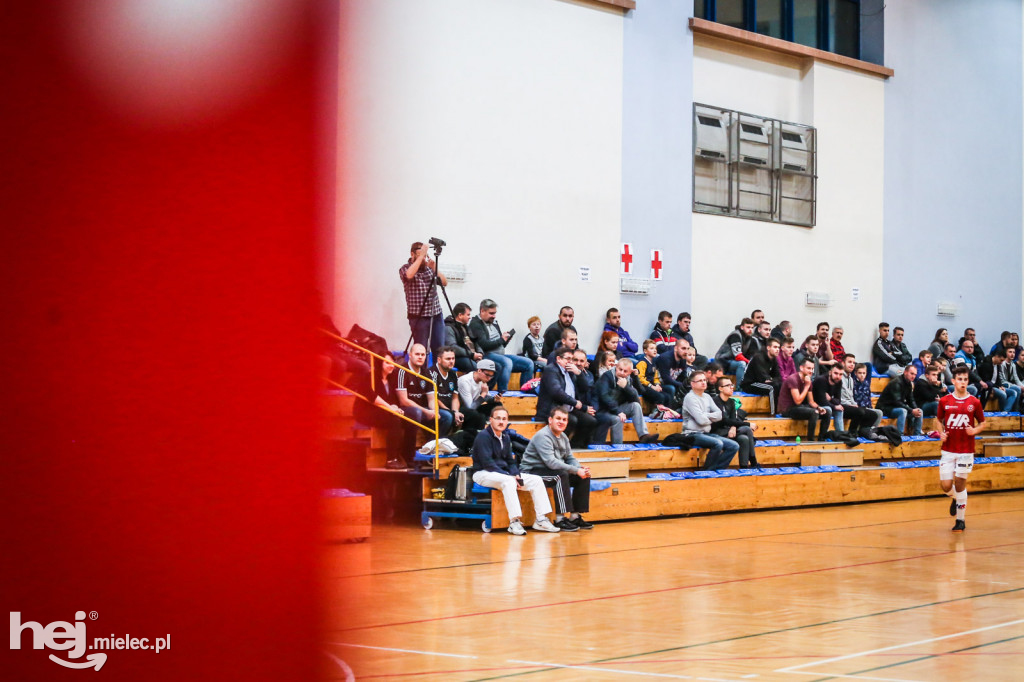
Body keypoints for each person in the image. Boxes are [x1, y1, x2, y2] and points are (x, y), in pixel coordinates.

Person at [471, 406, 560, 535]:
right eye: (498, 418)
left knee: (536, 480)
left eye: (504, 419)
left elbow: (510, 461)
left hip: (503, 474)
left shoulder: (506, 437)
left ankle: (541, 520)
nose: (501, 422)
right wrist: (509, 476)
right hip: (483, 473)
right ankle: (514, 522)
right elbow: (488, 463)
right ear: (491, 420)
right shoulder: (483, 437)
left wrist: (516, 475)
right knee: (509, 481)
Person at [520, 406, 593, 531]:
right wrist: (576, 470)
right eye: (558, 418)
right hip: (532, 471)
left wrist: (580, 468)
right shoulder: (543, 436)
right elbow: (551, 463)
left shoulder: (563, 437)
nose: (561, 422)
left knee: (583, 476)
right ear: (550, 420)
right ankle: (560, 519)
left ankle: (575, 517)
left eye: (564, 419)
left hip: (550, 470)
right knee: (560, 476)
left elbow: (569, 458)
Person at [936, 366, 986, 532]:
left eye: (965, 379)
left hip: (966, 450)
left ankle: (960, 520)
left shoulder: (974, 402)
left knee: (959, 484)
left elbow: (983, 423)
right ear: (953, 381)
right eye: (960, 379)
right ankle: (956, 498)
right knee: (945, 485)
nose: (963, 382)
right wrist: (941, 433)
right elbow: (938, 420)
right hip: (948, 449)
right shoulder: (944, 401)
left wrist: (975, 430)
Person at [354, 355, 414, 469]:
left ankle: (408, 457)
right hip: (367, 411)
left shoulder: (392, 378)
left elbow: (393, 399)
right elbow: (371, 395)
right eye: (387, 363)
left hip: (384, 410)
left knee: (410, 418)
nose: (391, 365)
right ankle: (391, 459)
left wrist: (395, 407)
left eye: (392, 363)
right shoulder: (370, 376)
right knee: (394, 420)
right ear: (380, 363)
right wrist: (389, 408)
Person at [534, 346, 597, 448]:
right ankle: (558, 448)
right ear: (559, 359)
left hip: (567, 408)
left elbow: (585, 388)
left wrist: (579, 373)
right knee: (571, 420)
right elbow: (556, 392)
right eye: (568, 359)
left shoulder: (570, 371)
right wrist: (576, 403)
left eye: (571, 359)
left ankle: (574, 447)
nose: (571, 362)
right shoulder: (551, 370)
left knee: (590, 421)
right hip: (551, 409)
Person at [469, 299, 533, 393]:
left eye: (495, 313)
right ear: (482, 311)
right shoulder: (476, 324)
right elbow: (484, 345)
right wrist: (502, 340)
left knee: (528, 363)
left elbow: (499, 344)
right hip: (486, 355)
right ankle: (502, 392)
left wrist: (505, 341)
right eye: (491, 313)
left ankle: (526, 392)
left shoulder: (494, 323)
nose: (494, 316)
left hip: (500, 354)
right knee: (506, 362)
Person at [681, 371, 739, 470]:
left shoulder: (707, 397)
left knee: (734, 446)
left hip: (706, 433)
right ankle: (708, 471)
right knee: (717, 443)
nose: (703, 382)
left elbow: (719, 415)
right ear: (692, 384)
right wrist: (711, 418)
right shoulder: (690, 398)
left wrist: (705, 416)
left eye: (704, 380)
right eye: (700, 381)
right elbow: (701, 421)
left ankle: (718, 469)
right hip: (692, 434)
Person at [596, 358, 660, 444]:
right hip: (604, 409)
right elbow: (604, 397)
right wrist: (618, 411)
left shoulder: (629, 379)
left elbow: (639, 394)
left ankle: (643, 435)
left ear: (630, 372)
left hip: (617, 408)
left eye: (625, 371)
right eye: (620, 369)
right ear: (616, 367)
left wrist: (627, 385)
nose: (622, 373)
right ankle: (618, 447)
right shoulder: (607, 376)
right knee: (618, 419)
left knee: (635, 406)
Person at [399, 241, 447, 355]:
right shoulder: (404, 268)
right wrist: (421, 257)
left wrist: (434, 268)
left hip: (436, 314)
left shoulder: (429, 268)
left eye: (425, 255)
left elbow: (444, 283)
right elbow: (409, 275)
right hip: (418, 317)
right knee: (421, 349)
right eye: (421, 254)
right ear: (412, 254)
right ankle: (422, 372)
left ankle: (436, 372)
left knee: (440, 348)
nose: (424, 258)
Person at [396, 343, 451, 435]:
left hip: (423, 410)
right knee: (417, 413)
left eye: (423, 354)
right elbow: (403, 401)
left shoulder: (427, 373)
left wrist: (433, 411)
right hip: (406, 410)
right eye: (417, 354)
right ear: (410, 355)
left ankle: (432, 445)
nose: (420, 357)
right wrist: (426, 411)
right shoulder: (402, 371)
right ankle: (408, 448)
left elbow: (432, 399)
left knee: (447, 416)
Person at [712, 376, 759, 468]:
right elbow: (723, 420)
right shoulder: (715, 401)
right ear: (720, 388)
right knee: (746, 428)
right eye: (728, 385)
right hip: (717, 432)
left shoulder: (731, 402)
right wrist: (747, 424)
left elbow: (733, 420)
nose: (732, 387)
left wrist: (733, 428)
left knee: (744, 439)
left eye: (732, 385)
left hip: (729, 431)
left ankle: (744, 468)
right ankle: (753, 462)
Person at [778, 357, 830, 441]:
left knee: (827, 412)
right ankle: (810, 440)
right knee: (814, 413)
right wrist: (806, 386)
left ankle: (822, 439)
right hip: (787, 409)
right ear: (801, 368)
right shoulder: (793, 379)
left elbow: (811, 401)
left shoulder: (807, 380)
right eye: (809, 368)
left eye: (813, 369)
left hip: (799, 407)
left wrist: (819, 407)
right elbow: (797, 401)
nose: (811, 371)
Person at [876, 364, 923, 435]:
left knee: (920, 411)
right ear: (905, 372)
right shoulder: (896, 383)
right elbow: (897, 402)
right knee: (903, 411)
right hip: (886, 408)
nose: (913, 376)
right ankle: (900, 435)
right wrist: (911, 410)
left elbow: (911, 399)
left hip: (896, 407)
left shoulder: (909, 384)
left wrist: (916, 409)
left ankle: (917, 435)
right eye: (911, 373)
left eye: (915, 374)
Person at [427, 347, 464, 436]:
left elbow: (455, 397)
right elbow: (435, 399)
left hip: (449, 407)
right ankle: (435, 443)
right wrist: (452, 412)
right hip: (436, 407)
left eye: (453, 358)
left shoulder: (453, 374)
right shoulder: (431, 373)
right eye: (448, 359)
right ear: (439, 360)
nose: (451, 361)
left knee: (473, 415)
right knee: (448, 416)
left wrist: (455, 411)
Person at [837, 354, 880, 431]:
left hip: (850, 405)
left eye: (853, 363)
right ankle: (852, 432)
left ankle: (863, 432)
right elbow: (839, 397)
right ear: (843, 363)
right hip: (841, 405)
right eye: (849, 362)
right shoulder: (839, 377)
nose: (852, 364)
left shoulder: (850, 378)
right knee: (859, 412)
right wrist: (852, 405)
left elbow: (850, 396)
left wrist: (854, 404)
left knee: (874, 415)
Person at [741, 336, 781, 415]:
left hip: (761, 383)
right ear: (768, 348)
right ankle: (774, 413)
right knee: (772, 387)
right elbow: (763, 378)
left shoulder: (774, 359)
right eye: (775, 347)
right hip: (750, 384)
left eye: (779, 347)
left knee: (781, 384)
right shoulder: (758, 358)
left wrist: (772, 379)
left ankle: (782, 410)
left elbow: (778, 377)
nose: (777, 350)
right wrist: (771, 380)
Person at [457, 359, 499, 430]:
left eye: (491, 376)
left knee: (497, 406)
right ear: (479, 370)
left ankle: (496, 430)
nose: (489, 378)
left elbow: (487, 399)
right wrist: (483, 393)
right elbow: (470, 407)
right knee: (480, 416)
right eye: (487, 375)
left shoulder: (482, 380)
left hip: (475, 407)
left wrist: (494, 400)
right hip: (462, 409)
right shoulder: (465, 381)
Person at [715, 317, 755, 385]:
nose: (750, 330)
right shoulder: (735, 335)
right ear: (742, 327)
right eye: (748, 327)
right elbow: (738, 356)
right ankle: (740, 387)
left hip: (733, 361)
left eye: (752, 328)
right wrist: (749, 362)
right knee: (742, 364)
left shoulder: (749, 338)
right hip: (723, 360)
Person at [636, 339, 673, 411]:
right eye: (652, 348)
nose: (655, 350)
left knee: (667, 396)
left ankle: (667, 412)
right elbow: (640, 378)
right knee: (660, 397)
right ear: (645, 351)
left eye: (655, 348)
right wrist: (652, 386)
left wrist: (657, 384)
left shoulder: (654, 362)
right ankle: (656, 412)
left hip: (652, 385)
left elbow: (655, 377)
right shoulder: (642, 363)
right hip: (644, 387)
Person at [444, 302, 482, 373]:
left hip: (473, 356)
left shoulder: (466, 327)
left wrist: (480, 353)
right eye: (468, 315)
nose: (470, 317)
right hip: (459, 358)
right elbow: (453, 347)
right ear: (460, 315)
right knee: (478, 369)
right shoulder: (448, 328)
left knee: (495, 367)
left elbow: (475, 342)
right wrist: (472, 355)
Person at [811, 364, 845, 435]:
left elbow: (838, 400)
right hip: (815, 404)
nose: (838, 377)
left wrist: (830, 399)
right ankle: (822, 436)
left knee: (840, 410)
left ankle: (841, 435)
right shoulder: (821, 380)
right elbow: (821, 401)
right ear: (830, 372)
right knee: (828, 409)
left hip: (826, 403)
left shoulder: (839, 381)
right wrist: (835, 406)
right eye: (836, 373)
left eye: (840, 374)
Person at [852, 362, 883, 427]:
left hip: (867, 407)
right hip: (858, 408)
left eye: (864, 373)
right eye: (860, 373)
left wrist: (870, 407)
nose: (862, 375)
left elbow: (868, 398)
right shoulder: (853, 382)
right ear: (855, 373)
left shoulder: (867, 383)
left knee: (879, 413)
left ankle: (872, 429)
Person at [999, 346, 1024, 411]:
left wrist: (1022, 386)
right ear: (1006, 353)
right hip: (1002, 384)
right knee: (1017, 389)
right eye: (1010, 352)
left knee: (1019, 388)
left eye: (1014, 352)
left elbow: (1016, 378)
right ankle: (1015, 410)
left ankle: (1016, 410)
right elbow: (1002, 380)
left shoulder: (1013, 365)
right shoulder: (1002, 363)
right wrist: (1017, 386)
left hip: (1009, 384)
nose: (1012, 354)